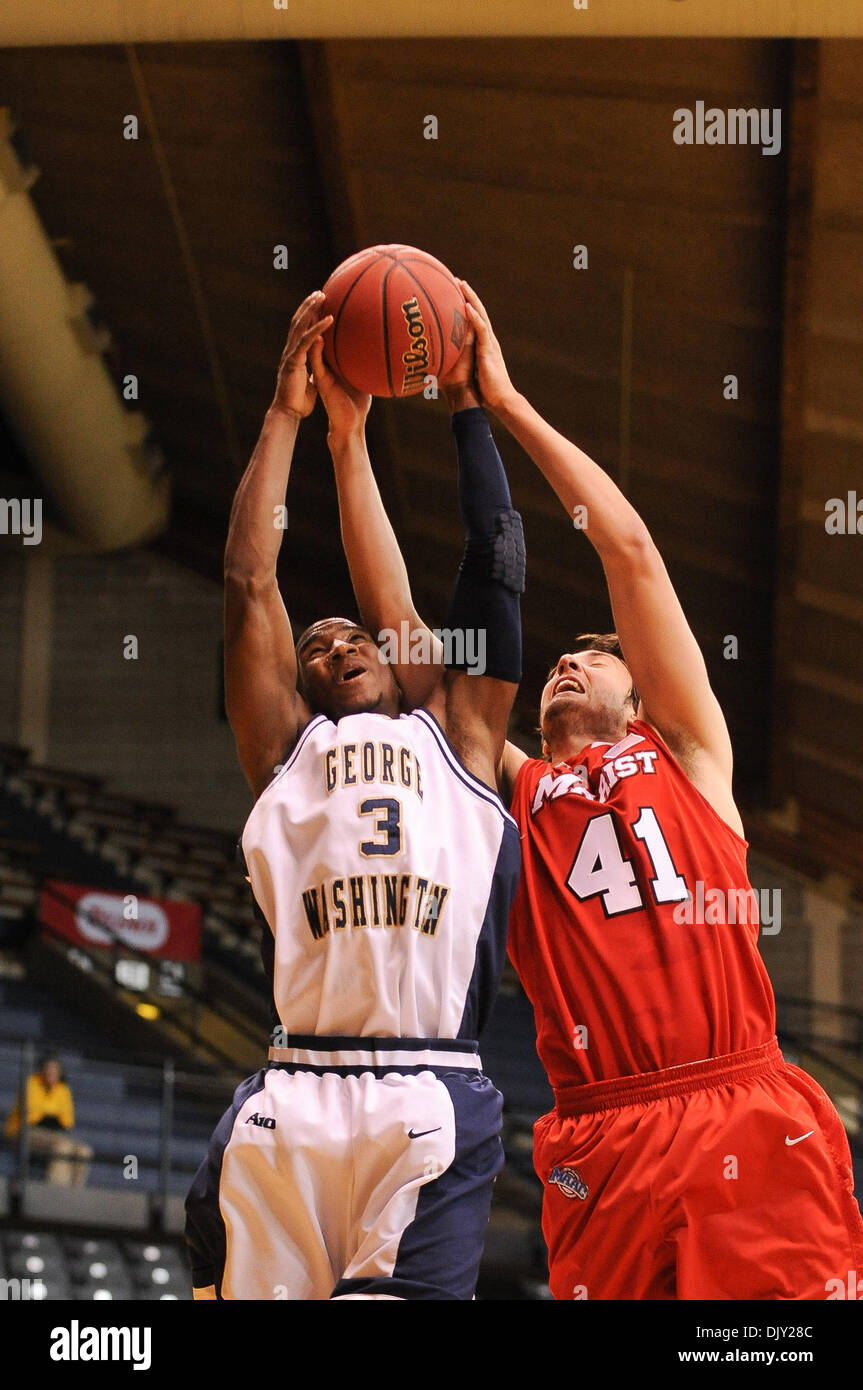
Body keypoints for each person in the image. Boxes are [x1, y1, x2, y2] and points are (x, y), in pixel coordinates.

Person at [334, 279, 863, 1301]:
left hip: (743, 1103)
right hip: (599, 1129)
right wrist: (349, 443)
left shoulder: (689, 757)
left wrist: (498, 400)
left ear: (641, 695)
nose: (567, 665)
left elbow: (626, 549)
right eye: (557, 663)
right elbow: (398, 628)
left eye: (594, 658)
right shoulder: (511, 790)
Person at [184, 291, 524, 1300]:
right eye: (315, 642)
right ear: (297, 681)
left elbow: (494, 562)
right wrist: (284, 417)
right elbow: (249, 581)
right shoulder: (284, 751)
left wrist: (464, 408)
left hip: (425, 1085)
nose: (334, 641)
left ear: (400, 660)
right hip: (291, 1089)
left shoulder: (458, 735)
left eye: (355, 635)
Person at [5, 1055, 92, 1186]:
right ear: (41, 1070)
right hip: (25, 1131)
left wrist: (47, 1114)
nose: (51, 1073)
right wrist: (52, 1114)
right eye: (48, 1069)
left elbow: (67, 1121)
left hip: (54, 1133)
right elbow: (32, 1116)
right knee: (62, 1147)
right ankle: (56, 1190)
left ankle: (75, 1192)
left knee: (84, 1151)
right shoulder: (32, 1083)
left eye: (54, 1069)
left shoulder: (63, 1089)